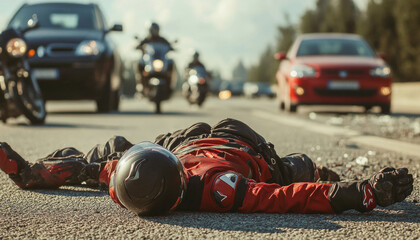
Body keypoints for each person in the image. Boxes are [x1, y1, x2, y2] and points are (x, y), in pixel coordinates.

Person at [0, 118, 413, 216]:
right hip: (221, 139)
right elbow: (285, 193)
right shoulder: (219, 187)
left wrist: (362, 193)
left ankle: (34, 171)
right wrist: (357, 192)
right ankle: (322, 169)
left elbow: (283, 200)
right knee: (299, 167)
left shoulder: (126, 180)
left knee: (102, 156)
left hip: (188, 142)